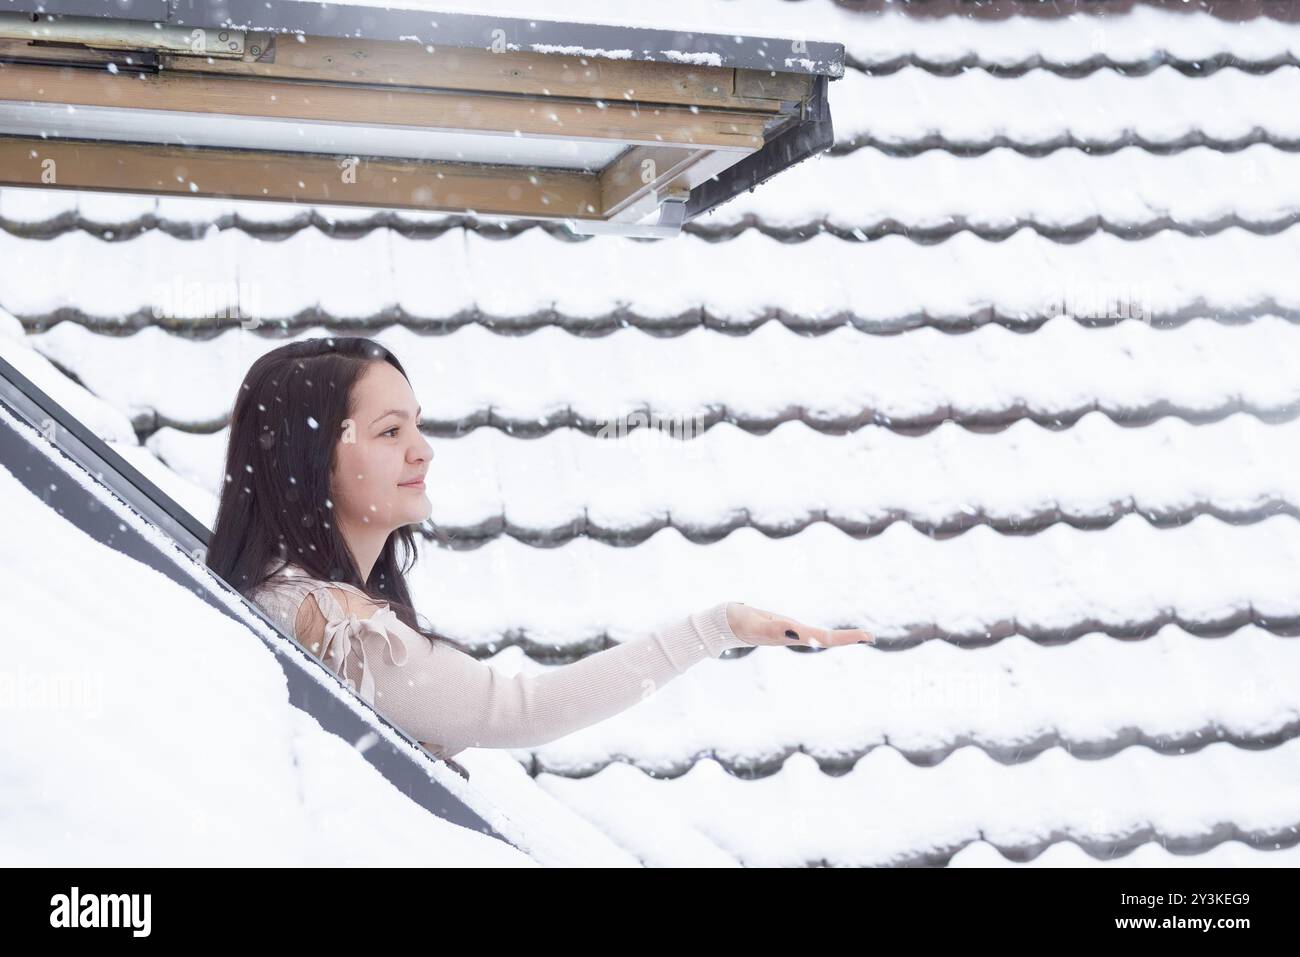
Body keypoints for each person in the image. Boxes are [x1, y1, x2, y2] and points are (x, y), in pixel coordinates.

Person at [206, 337, 873, 779]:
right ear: (311, 459)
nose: (423, 450)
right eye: (390, 431)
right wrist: (718, 627)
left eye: (417, 423)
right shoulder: (335, 623)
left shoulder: (285, 592)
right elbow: (519, 710)